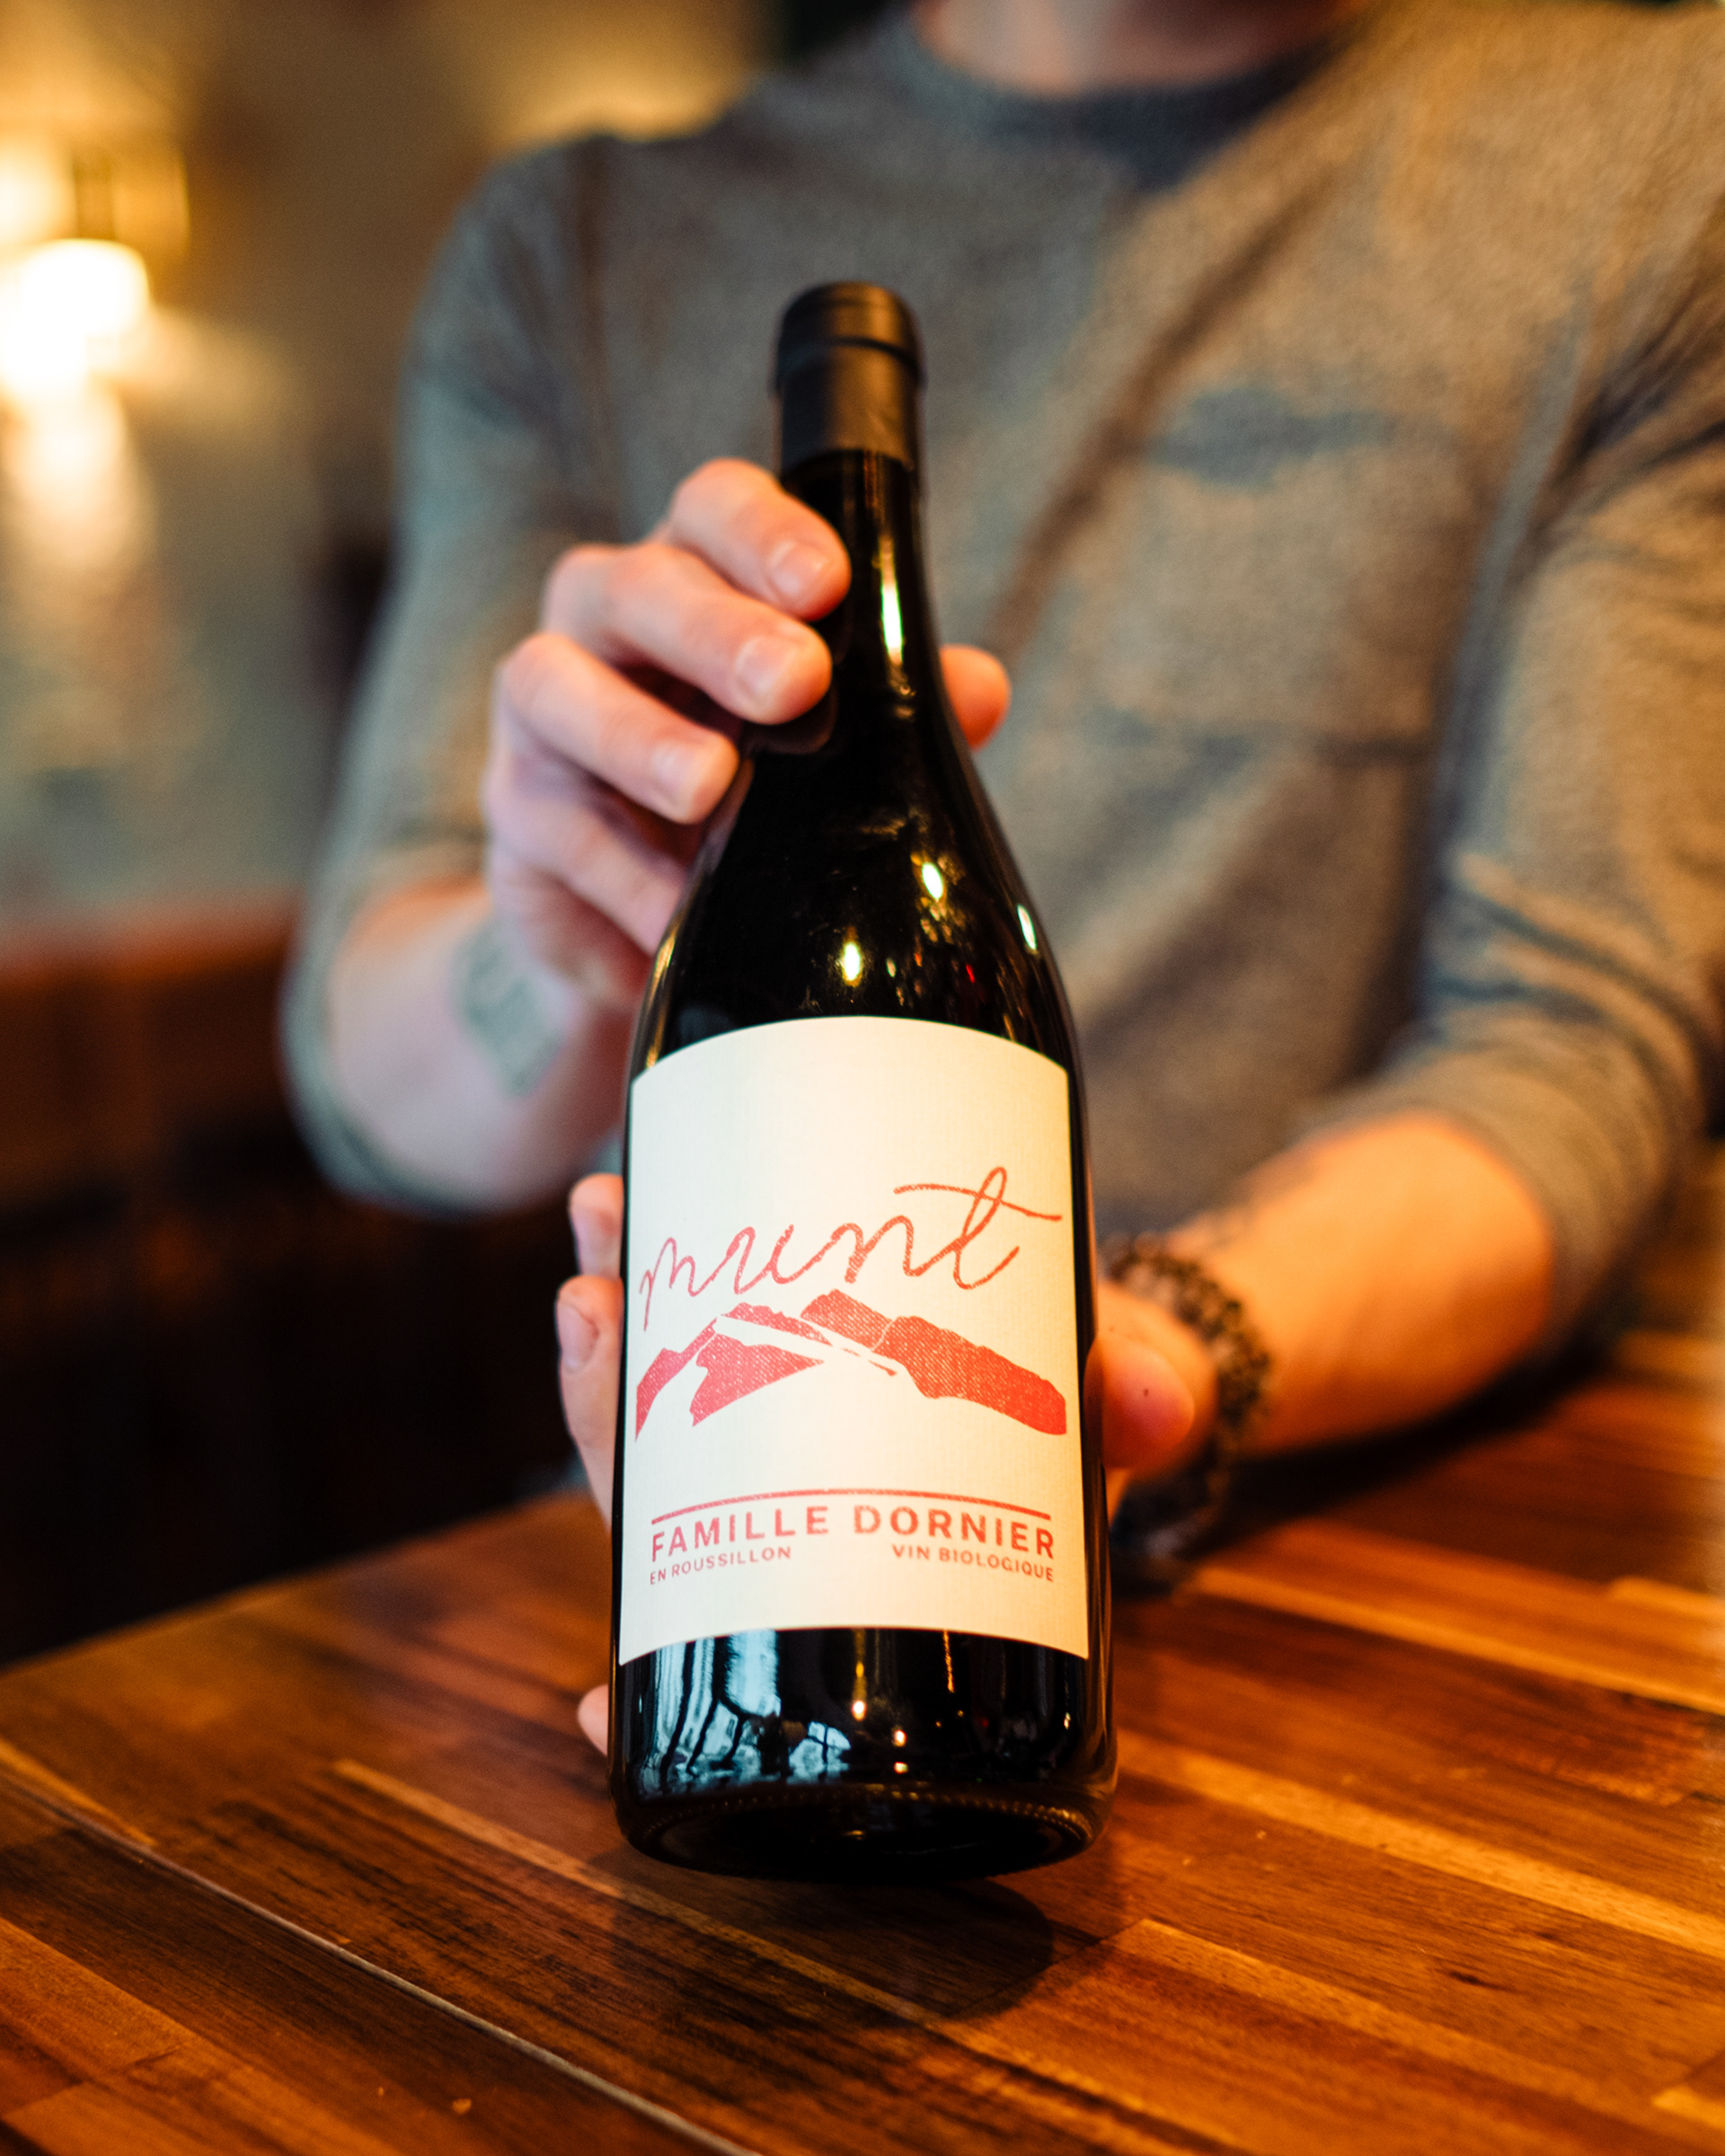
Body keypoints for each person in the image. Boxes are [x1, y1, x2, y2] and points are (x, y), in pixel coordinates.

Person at [284, 0, 1725, 1742]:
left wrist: (1127, 1365)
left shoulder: (1648, 157)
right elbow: (370, 1086)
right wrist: (569, 950)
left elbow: (1571, 1038)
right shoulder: (571, 247)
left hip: (1332, 1548)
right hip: (700, 1513)